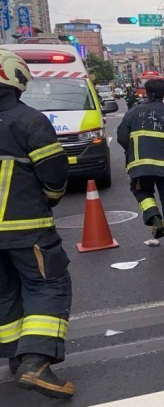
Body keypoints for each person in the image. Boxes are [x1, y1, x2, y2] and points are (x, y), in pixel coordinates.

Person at [0, 49, 75, 399]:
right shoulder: (28, 121)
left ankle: (17, 358)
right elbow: (54, 172)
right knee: (48, 286)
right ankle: (36, 362)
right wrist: (53, 196)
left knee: (5, 291)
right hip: (26, 228)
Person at [117, 79, 164, 250]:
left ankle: (153, 215)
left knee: (142, 191)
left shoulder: (134, 113)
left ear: (146, 92)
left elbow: (121, 138)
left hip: (141, 166)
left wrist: (134, 150)